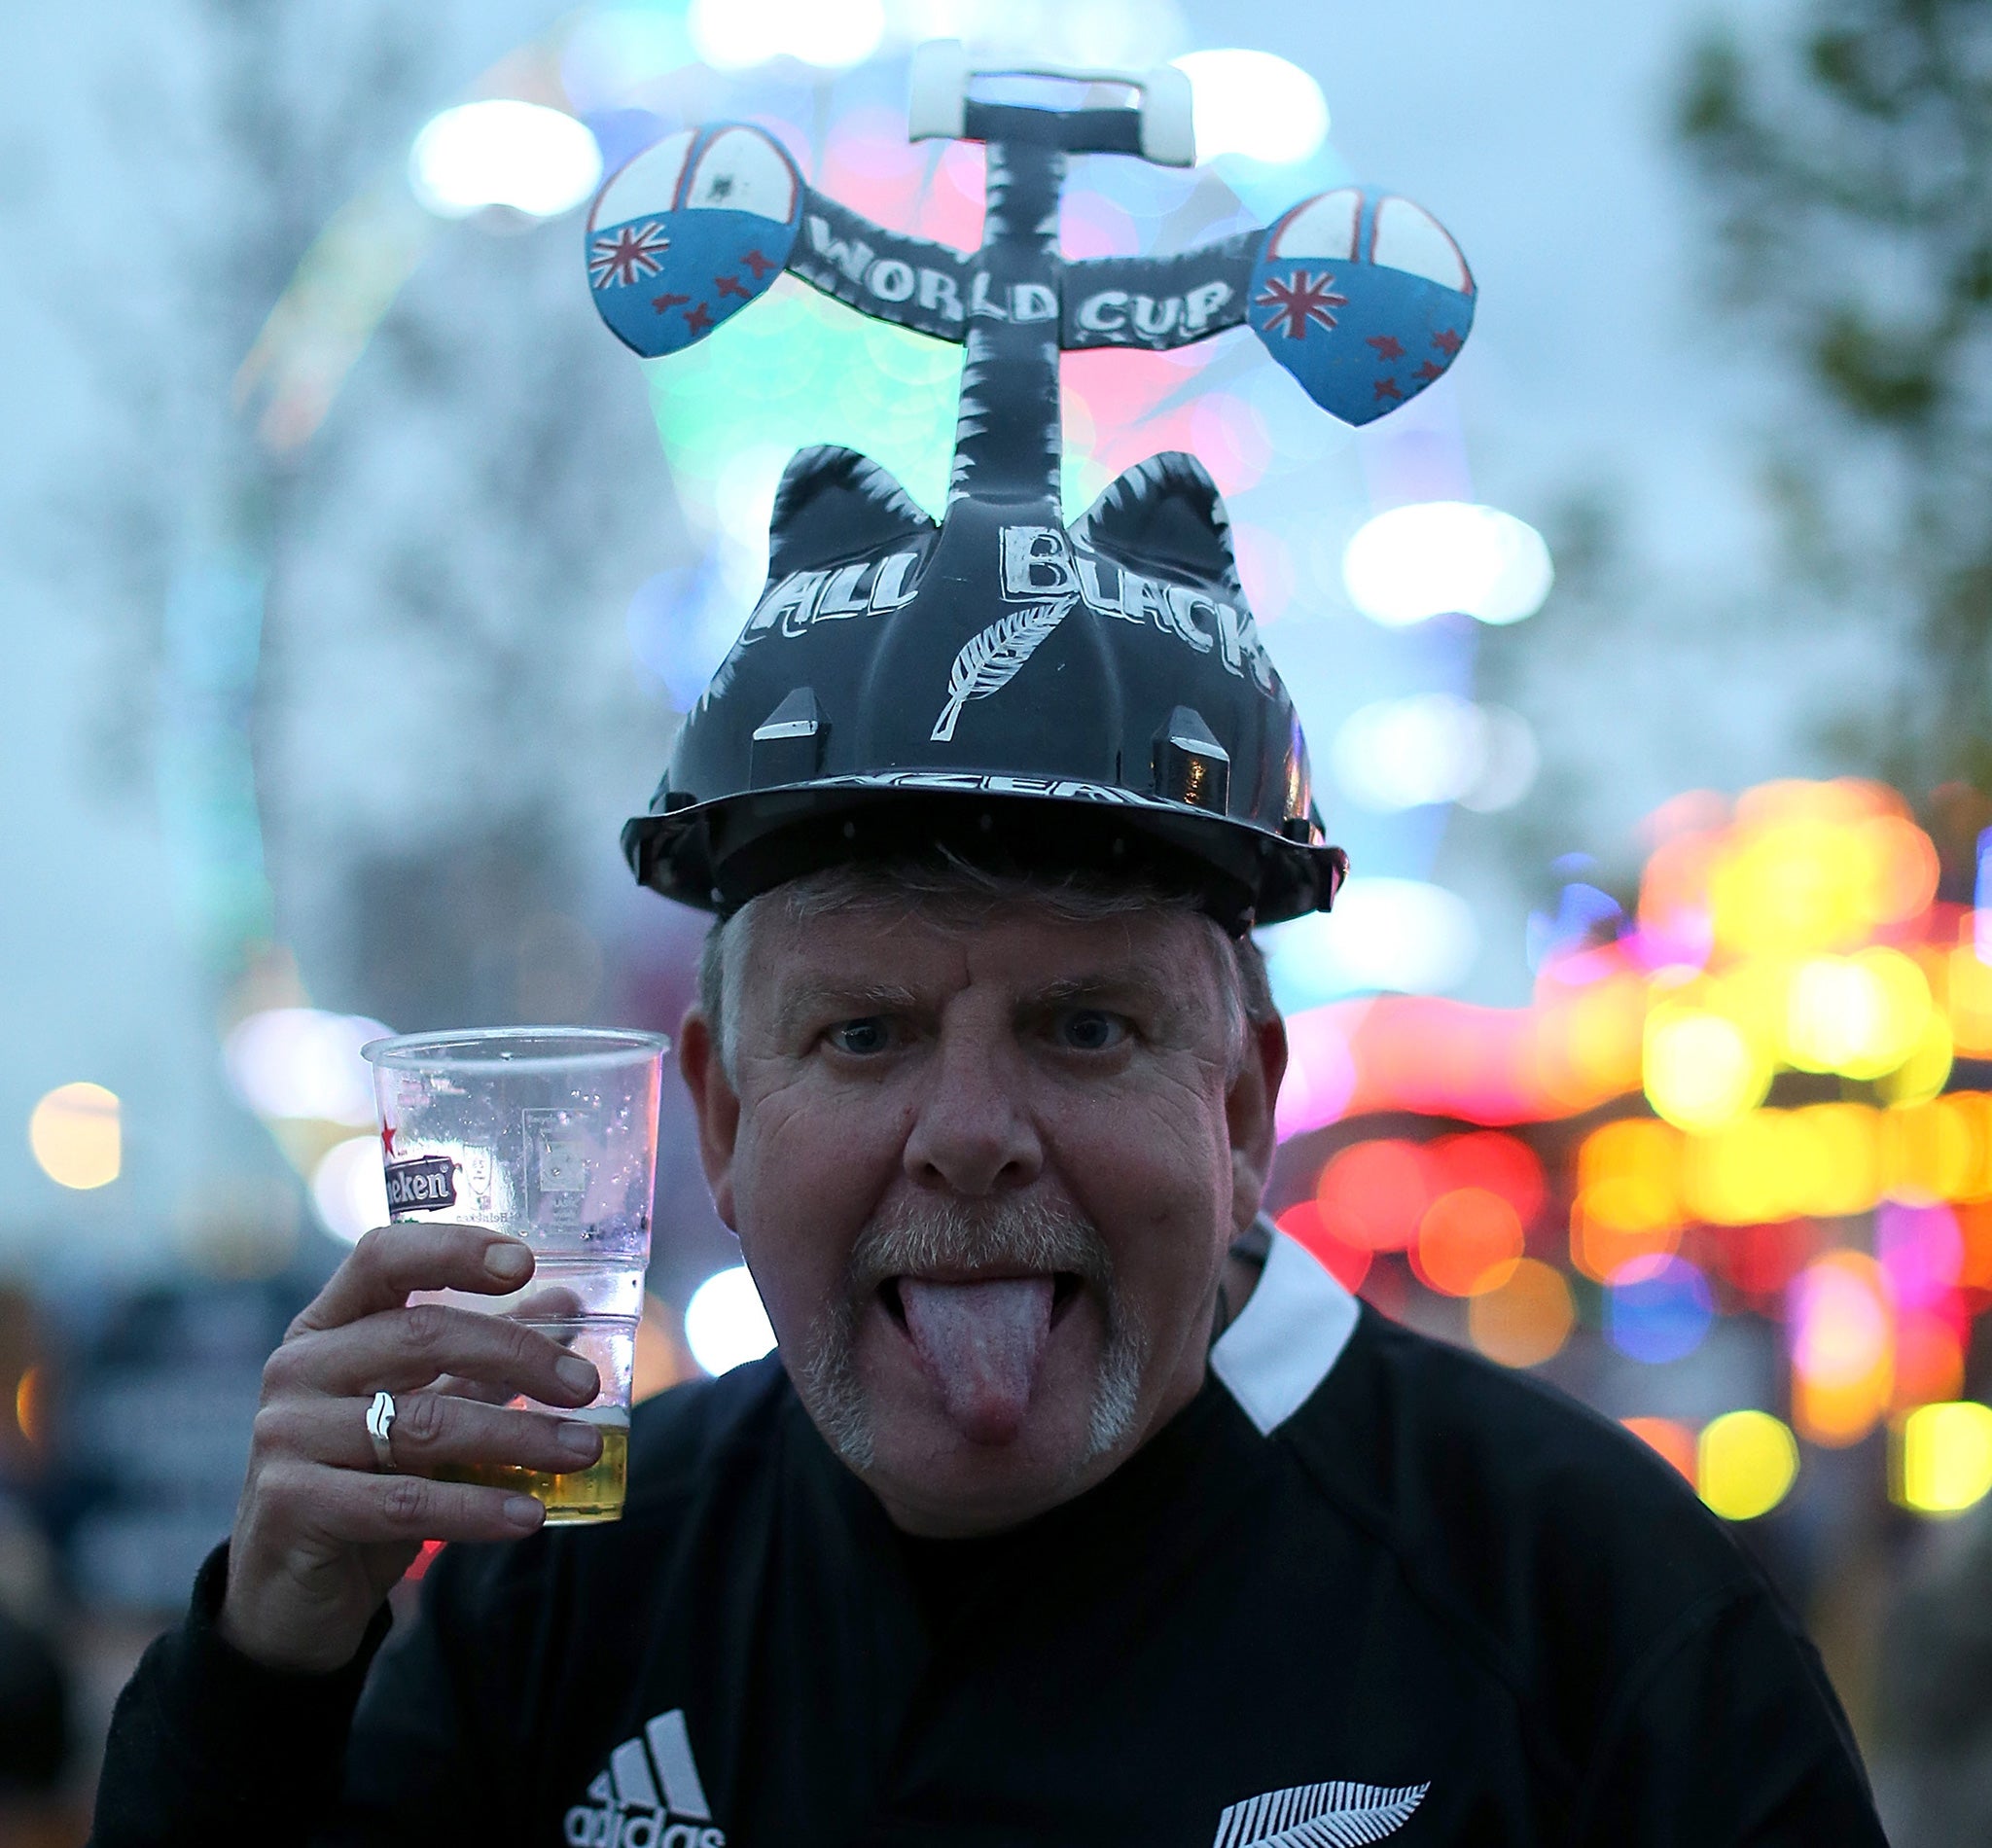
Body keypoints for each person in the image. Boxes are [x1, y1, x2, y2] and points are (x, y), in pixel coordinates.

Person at [92, 64, 1887, 1848]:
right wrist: (266, 1661)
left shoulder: (1603, 1628)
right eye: (864, 1036)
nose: (969, 1133)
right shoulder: (556, 1606)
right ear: (715, 1114)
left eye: (1086, 1028)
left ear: (1248, 1101)